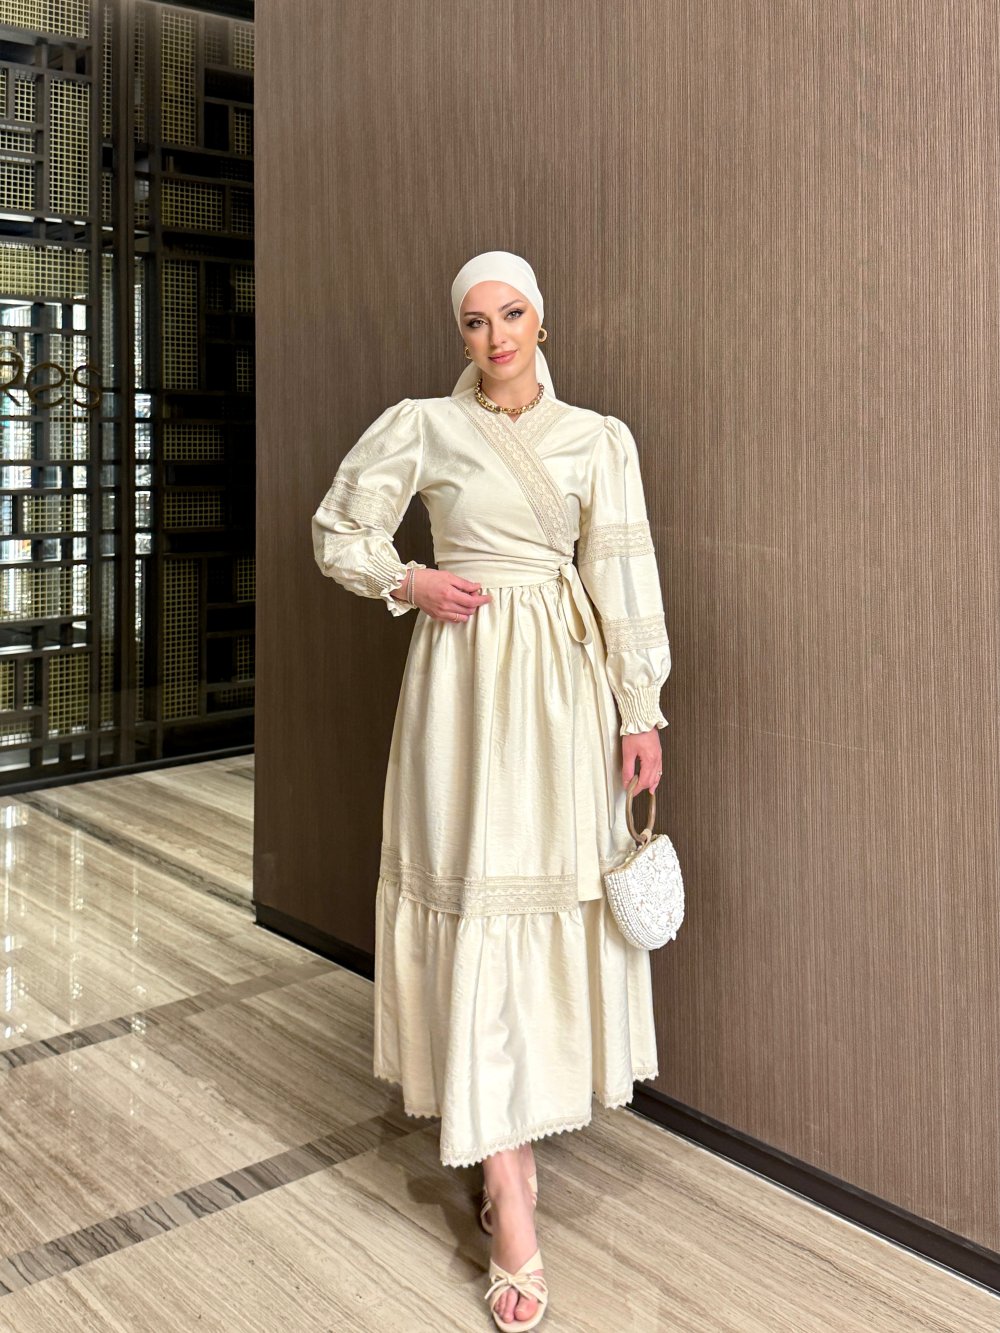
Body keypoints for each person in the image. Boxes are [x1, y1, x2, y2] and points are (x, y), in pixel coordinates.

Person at [310, 251, 670, 1330]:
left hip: (563, 691)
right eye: (475, 320)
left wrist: (639, 708)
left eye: (512, 314)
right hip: (460, 690)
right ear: (459, 332)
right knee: (471, 898)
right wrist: (408, 579)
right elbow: (338, 530)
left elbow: (622, 573)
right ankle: (507, 1187)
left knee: (543, 901)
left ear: (541, 322)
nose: (496, 335)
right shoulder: (422, 425)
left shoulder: (598, 439)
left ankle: (512, 1135)